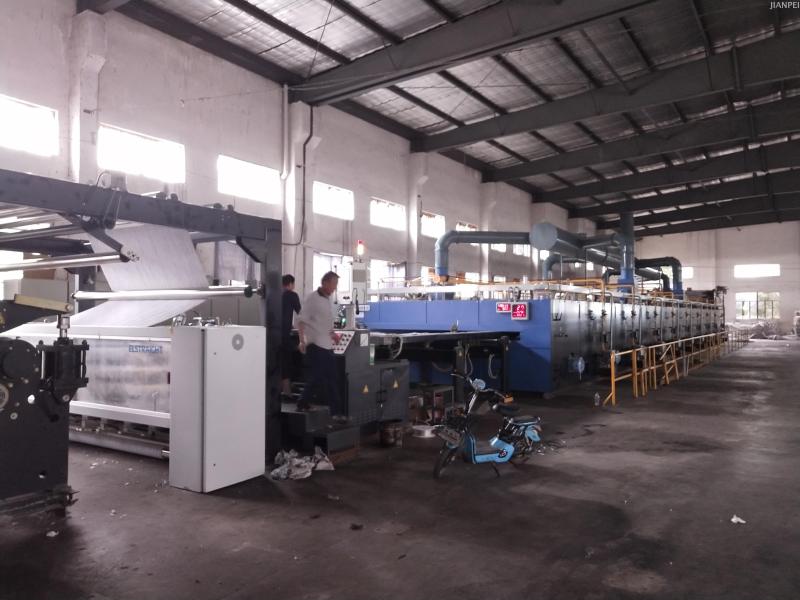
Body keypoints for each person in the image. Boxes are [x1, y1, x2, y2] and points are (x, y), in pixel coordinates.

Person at [296, 271, 344, 420]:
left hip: (327, 345)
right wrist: (302, 341)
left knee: (328, 378)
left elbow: (325, 324)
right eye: (334, 284)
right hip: (315, 345)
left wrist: (334, 335)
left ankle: (304, 403)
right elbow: (301, 321)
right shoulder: (312, 299)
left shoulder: (327, 300)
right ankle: (334, 412)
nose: (335, 288)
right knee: (321, 378)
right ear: (325, 283)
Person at [280, 274, 302, 395]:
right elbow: (300, 313)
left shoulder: (275, 294)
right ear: (291, 284)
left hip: (271, 333)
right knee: (287, 361)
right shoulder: (292, 295)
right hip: (284, 335)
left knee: (278, 361)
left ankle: (283, 388)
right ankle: (287, 392)